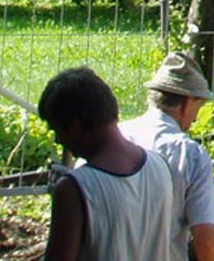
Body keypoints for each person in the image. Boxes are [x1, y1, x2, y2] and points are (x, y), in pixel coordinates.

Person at [38, 66, 175, 261]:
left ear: (75, 125)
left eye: (57, 130)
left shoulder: (74, 188)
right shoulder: (160, 166)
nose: (59, 141)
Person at [120, 52, 214, 261]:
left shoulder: (115, 137)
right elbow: (206, 241)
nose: (196, 117)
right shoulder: (191, 154)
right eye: (199, 107)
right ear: (188, 101)